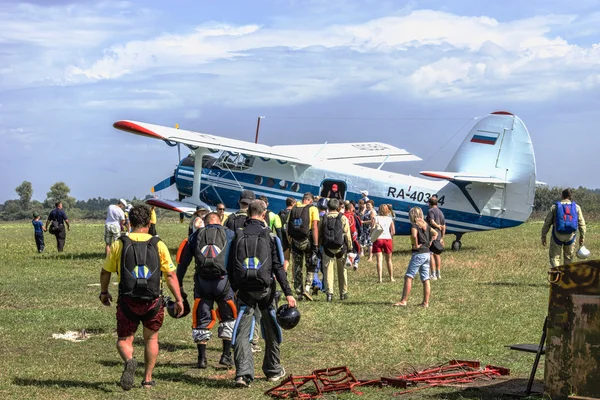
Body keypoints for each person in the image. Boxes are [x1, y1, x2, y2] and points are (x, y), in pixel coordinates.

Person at [100, 204, 184, 390]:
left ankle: (130, 360)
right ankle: (147, 379)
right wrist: (178, 299)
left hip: (127, 300)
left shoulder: (119, 243)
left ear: (129, 222)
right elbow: (170, 275)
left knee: (124, 340)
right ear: (148, 222)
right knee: (151, 339)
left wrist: (104, 292)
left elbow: (106, 271)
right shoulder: (158, 244)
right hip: (153, 301)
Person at [227, 200, 296, 387]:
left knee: (241, 333)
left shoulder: (237, 235)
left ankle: (243, 374)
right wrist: (288, 293)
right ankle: (273, 370)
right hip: (266, 291)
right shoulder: (270, 236)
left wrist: (233, 289)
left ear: (248, 213)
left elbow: (230, 266)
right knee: (271, 329)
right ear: (264, 215)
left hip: (244, 291)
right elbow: (278, 268)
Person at [177, 212, 237, 369]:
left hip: (202, 283)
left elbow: (183, 262)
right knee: (228, 318)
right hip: (223, 282)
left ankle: (202, 359)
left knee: (201, 320)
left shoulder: (196, 235)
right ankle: (226, 355)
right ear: (220, 221)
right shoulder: (229, 233)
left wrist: (179, 284)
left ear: (205, 222)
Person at [394, 207, 437, 307]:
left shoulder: (414, 225)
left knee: (409, 276)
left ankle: (403, 300)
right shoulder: (426, 224)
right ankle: (425, 302)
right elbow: (435, 233)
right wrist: (430, 242)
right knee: (425, 278)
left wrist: (416, 245)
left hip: (419, 253)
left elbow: (414, 236)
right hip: (427, 253)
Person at [287, 192, 320, 301]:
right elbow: (315, 226)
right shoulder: (313, 209)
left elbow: (288, 226)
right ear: (310, 200)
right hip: (308, 241)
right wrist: (315, 244)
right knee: (311, 264)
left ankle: (298, 292)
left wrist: (290, 241)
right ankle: (306, 288)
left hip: (295, 240)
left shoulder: (294, 208)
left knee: (297, 266)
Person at [541, 188, 586, 267]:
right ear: (571, 196)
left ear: (562, 195)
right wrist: (582, 237)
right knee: (569, 258)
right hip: (570, 236)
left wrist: (543, 236)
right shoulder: (577, 207)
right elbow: (582, 224)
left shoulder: (555, 207)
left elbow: (547, 223)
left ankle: (557, 276)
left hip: (557, 234)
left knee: (554, 257)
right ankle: (567, 276)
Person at [320, 199, 353, 302]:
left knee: (328, 271)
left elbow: (320, 232)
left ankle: (329, 293)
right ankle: (343, 293)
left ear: (328, 207)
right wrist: (350, 247)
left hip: (327, 248)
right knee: (342, 270)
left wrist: (318, 245)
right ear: (338, 207)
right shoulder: (343, 218)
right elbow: (347, 234)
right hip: (341, 247)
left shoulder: (324, 217)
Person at [372, 204, 395, 282]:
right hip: (387, 239)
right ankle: (391, 277)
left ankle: (380, 279)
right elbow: (393, 231)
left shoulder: (375, 218)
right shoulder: (390, 219)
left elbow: (372, 228)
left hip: (378, 239)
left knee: (379, 260)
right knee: (389, 260)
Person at [426, 197, 446, 280]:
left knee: (431, 254)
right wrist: (442, 237)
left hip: (432, 235)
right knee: (437, 254)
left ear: (429, 204)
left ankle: (433, 274)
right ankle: (438, 273)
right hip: (438, 236)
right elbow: (444, 225)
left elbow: (431, 222)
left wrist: (437, 226)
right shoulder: (440, 212)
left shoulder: (430, 211)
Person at [278, 197, 296, 272]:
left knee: (286, 258)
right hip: (293, 236)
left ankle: (284, 271)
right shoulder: (294, 212)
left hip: (284, 235)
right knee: (295, 259)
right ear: (292, 203)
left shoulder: (281, 212)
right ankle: (293, 277)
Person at [343, 201, 362, 270]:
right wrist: (359, 234)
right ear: (351, 209)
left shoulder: (342, 215)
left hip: (344, 236)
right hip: (353, 235)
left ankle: (348, 260)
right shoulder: (354, 216)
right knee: (355, 250)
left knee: (347, 249)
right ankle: (356, 262)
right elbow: (359, 226)